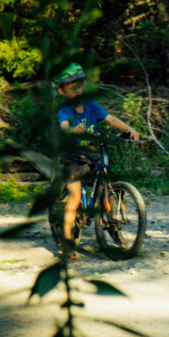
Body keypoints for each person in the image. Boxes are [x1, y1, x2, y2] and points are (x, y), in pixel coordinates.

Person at [55, 63, 140, 254]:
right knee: (75, 196)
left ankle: (111, 226)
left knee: (107, 189)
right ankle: (67, 239)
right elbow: (64, 126)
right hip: (73, 158)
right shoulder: (65, 109)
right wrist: (72, 130)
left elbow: (110, 119)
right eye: (71, 86)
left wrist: (129, 129)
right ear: (62, 91)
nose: (77, 90)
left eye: (80, 85)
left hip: (92, 154)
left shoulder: (91, 105)